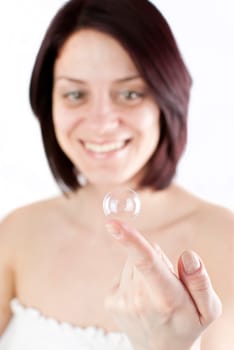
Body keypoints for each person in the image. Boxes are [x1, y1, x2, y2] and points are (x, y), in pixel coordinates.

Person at [0, 0, 233, 349]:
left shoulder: (225, 242)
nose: (101, 123)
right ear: (49, 104)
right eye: (76, 94)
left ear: (167, 99)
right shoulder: (18, 231)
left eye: (130, 93)